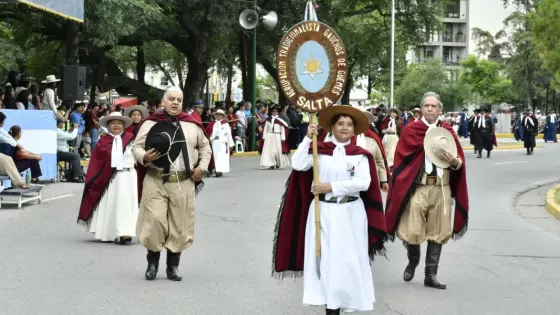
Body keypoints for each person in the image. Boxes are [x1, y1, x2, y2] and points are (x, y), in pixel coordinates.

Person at [272, 105, 387, 314]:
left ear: (354, 129)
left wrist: (331, 187)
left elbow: (364, 182)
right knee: (326, 260)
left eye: (349, 125)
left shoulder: (359, 154)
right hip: (323, 212)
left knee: (348, 261)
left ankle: (346, 300)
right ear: (332, 127)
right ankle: (330, 307)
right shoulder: (320, 150)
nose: (345, 128)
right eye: (340, 124)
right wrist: (308, 138)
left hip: (351, 212)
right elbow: (298, 165)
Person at [385, 92, 469, 290]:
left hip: (442, 187)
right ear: (421, 109)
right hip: (418, 187)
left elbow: (459, 162)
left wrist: (454, 162)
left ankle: (430, 274)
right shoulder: (412, 129)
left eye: (434, 106)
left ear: (440, 109)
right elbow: (402, 160)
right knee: (412, 230)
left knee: (438, 230)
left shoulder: (447, 130)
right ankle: (413, 259)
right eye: (426, 106)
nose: (430, 109)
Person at [132, 86, 212, 281]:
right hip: (155, 179)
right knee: (154, 222)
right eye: (171, 99)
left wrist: (202, 168)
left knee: (179, 224)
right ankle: (152, 264)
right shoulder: (150, 123)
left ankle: (172, 267)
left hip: (183, 181)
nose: (175, 102)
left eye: (179, 100)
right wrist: (144, 156)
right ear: (163, 101)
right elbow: (136, 147)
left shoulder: (192, 124)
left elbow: (205, 148)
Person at [78, 112, 138, 244]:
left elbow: (138, 156)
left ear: (123, 125)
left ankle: (126, 232)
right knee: (111, 204)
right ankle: (110, 232)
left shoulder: (131, 139)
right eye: (113, 123)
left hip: (128, 175)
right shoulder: (102, 142)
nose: (116, 125)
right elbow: (96, 163)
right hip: (110, 179)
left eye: (119, 123)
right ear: (108, 126)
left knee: (127, 204)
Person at [258, 106, 290, 170]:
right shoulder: (268, 120)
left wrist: (283, 137)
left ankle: (277, 162)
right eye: (273, 111)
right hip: (269, 136)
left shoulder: (280, 121)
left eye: (276, 111)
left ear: (277, 112)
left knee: (277, 151)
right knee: (269, 151)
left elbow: (282, 129)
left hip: (277, 136)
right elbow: (265, 129)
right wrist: (264, 136)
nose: (274, 112)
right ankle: (271, 164)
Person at [205, 109, 234, 177]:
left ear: (222, 116)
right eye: (217, 115)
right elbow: (208, 133)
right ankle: (211, 169)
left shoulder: (225, 124)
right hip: (214, 142)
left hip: (222, 143)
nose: (218, 116)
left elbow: (229, 134)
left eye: (220, 115)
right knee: (213, 156)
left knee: (221, 157)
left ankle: (219, 170)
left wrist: (231, 144)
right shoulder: (212, 123)